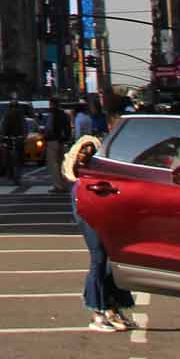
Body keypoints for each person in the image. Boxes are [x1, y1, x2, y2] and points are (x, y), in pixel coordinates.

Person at [67, 131, 135, 331]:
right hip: (89, 217)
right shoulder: (80, 178)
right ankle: (97, 312)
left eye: (89, 154)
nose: (84, 157)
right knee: (98, 259)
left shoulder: (100, 171)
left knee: (111, 263)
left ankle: (113, 308)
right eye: (82, 153)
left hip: (105, 217)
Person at [0, 91, 26, 188]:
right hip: (11, 138)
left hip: (16, 138)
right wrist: (4, 136)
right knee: (10, 157)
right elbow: (4, 126)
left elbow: (23, 126)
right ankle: (13, 175)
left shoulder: (18, 114)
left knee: (17, 157)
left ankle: (15, 175)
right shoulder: (8, 114)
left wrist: (23, 136)